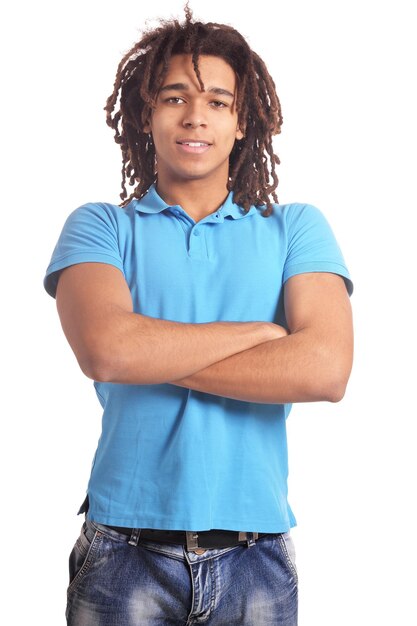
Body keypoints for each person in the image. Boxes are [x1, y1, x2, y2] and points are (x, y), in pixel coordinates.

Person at [44, 5, 353, 625]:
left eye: (217, 101)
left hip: (255, 555)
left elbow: (325, 370)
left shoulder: (295, 229)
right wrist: (261, 339)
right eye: (174, 97)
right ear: (146, 115)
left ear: (243, 122)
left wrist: (151, 351)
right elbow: (107, 350)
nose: (195, 117)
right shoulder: (100, 226)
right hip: (123, 551)